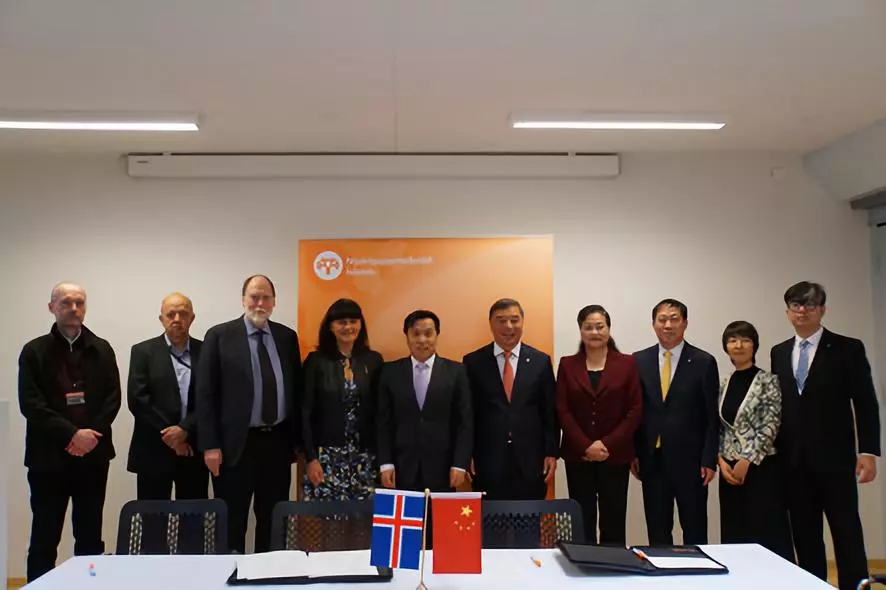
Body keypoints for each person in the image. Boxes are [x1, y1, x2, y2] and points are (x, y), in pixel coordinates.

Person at [770, 281, 880, 590]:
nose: (802, 311)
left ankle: (856, 586)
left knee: (846, 532)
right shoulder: (779, 352)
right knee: (805, 535)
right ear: (788, 312)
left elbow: (865, 401)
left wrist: (868, 451)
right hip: (793, 461)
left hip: (836, 460)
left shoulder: (848, 348)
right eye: (796, 305)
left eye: (810, 305)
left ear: (822, 310)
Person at [18, 283, 121, 582]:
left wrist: (90, 436)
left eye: (79, 302)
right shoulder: (34, 351)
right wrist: (72, 435)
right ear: (52, 307)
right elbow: (31, 404)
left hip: (93, 458)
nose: (74, 309)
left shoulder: (102, 349)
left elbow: (113, 398)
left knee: (90, 537)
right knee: (44, 537)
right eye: (66, 302)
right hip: (48, 460)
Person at [196, 274, 302, 554]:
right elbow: (205, 394)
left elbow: (296, 390)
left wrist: (298, 443)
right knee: (232, 521)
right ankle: (231, 573)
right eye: (254, 297)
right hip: (234, 447)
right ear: (243, 300)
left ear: (274, 302)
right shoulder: (219, 336)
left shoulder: (286, 337)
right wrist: (210, 444)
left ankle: (268, 573)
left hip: (277, 444)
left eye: (266, 297)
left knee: (274, 520)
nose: (260, 303)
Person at [632, 298, 719, 546]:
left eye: (674, 319)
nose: (668, 325)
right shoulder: (638, 360)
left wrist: (709, 459)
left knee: (694, 528)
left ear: (685, 323)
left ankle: (697, 570)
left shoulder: (703, 361)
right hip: (652, 460)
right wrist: (634, 453)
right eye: (662, 320)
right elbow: (635, 411)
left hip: (691, 462)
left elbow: (710, 416)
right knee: (658, 530)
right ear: (654, 324)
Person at [555, 305, 642, 545]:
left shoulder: (627, 363)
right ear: (580, 330)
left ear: (608, 329)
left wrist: (607, 444)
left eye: (600, 326)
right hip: (578, 456)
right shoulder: (568, 364)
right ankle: (583, 563)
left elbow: (635, 409)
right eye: (588, 327)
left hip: (615, 455)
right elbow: (562, 409)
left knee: (613, 519)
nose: (594, 332)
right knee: (581, 519)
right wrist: (585, 445)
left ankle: (612, 563)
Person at [463, 298, 558, 501]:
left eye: (514, 320)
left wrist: (551, 452)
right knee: (490, 518)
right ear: (491, 324)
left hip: (531, 460)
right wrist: (466, 453)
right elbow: (467, 413)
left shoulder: (540, 361)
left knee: (530, 518)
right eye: (501, 320)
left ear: (522, 322)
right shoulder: (473, 362)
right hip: (487, 460)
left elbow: (549, 411)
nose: (508, 326)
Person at [717, 320, 793, 561]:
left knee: (765, 531)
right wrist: (721, 461)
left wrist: (747, 460)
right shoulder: (724, 383)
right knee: (734, 532)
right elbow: (720, 427)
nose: (738, 345)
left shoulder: (769, 381)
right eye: (732, 340)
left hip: (761, 468)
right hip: (729, 471)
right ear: (726, 347)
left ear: (754, 345)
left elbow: (771, 423)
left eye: (745, 340)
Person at [376, 310, 472, 493]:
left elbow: (464, 422)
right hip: (401, 467)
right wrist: (385, 463)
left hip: (444, 468)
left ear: (437, 335)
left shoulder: (457, 372)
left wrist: (460, 463)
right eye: (416, 334)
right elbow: (383, 422)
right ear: (407, 336)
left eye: (428, 334)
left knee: (439, 513)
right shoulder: (390, 372)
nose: (422, 340)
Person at [127, 292, 208, 500]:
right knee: (153, 517)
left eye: (183, 314)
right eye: (171, 314)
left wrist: (185, 429)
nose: (177, 320)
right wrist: (172, 437)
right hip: (153, 449)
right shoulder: (143, 352)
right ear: (161, 319)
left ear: (192, 318)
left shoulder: (206, 352)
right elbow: (137, 400)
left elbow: (211, 398)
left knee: (192, 516)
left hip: (193, 449)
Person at [302, 298, 384, 501]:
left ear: (361, 325)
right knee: (329, 516)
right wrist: (311, 458)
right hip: (327, 457)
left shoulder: (374, 361)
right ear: (330, 326)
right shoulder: (316, 362)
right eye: (341, 322)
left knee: (365, 515)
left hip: (366, 457)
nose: (348, 327)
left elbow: (382, 412)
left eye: (353, 321)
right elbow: (304, 412)